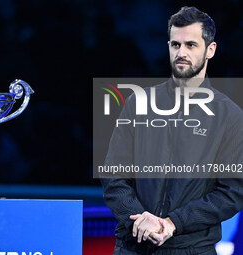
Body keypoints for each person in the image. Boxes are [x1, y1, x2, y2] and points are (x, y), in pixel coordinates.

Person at [101, 6, 243, 255]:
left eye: (191, 45)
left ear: (210, 50)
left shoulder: (229, 116)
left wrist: (173, 223)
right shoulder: (138, 103)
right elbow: (114, 175)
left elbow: (232, 192)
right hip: (133, 245)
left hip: (191, 249)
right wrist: (140, 220)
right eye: (175, 45)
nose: (182, 53)